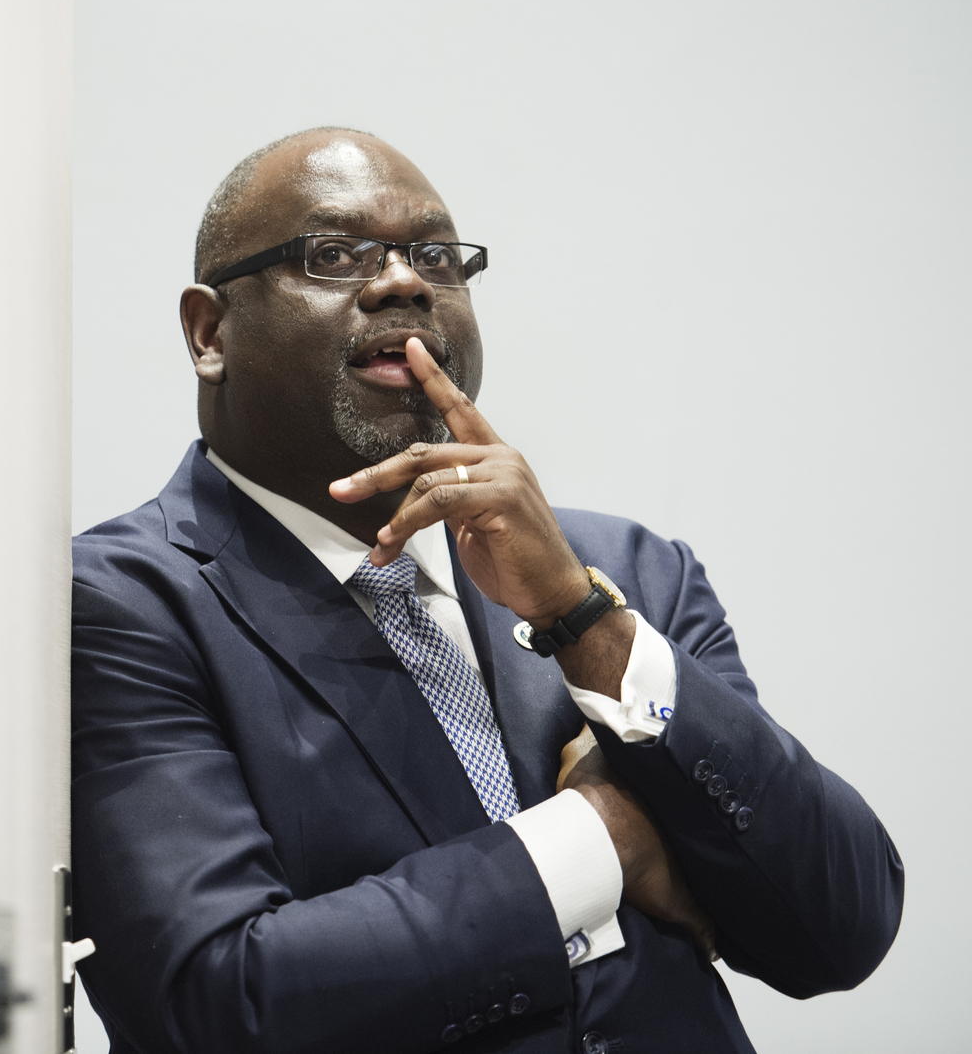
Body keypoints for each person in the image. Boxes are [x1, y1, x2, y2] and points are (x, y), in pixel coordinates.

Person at [70, 128, 902, 1054]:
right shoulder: (119, 604)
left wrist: (584, 621)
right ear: (209, 331)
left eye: (434, 255)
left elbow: (842, 924)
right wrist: (603, 836)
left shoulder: (625, 568)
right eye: (335, 254)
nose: (402, 283)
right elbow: (221, 1002)